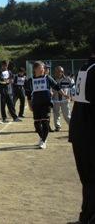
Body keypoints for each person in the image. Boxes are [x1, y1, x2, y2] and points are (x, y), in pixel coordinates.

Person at [69, 39, 95, 224]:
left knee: (88, 179)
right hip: (89, 130)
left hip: (80, 129)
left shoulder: (85, 67)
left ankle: (85, 216)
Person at [25, 61, 69, 149]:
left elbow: (57, 87)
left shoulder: (47, 78)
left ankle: (43, 141)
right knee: (37, 124)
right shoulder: (30, 80)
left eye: (44, 68)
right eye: (42, 68)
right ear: (36, 69)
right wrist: (30, 105)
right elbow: (28, 94)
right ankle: (42, 138)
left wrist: (64, 94)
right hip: (36, 105)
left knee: (45, 122)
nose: (44, 69)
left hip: (46, 104)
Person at [52, 66, 73, 131]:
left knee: (67, 115)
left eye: (59, 71)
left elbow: (73, 88)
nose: (57, 73)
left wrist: (71, 96)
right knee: (56, 114)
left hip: (65, 100)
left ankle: (72, 126)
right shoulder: (52, 80)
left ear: (62, 72)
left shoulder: (68, 79)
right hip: (55, 100)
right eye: (56, 71)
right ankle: (57, 127)